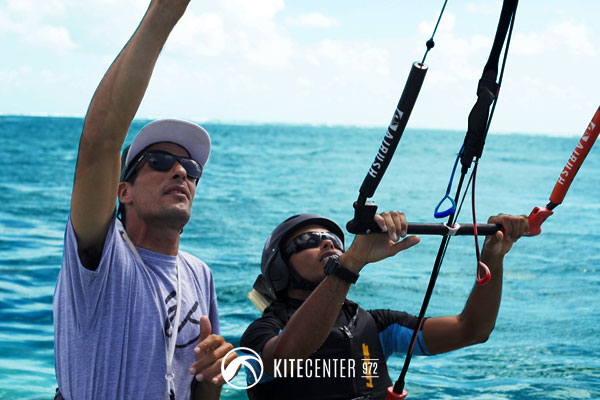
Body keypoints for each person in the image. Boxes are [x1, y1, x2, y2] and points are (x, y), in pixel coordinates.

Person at [53, 1, 235, 399]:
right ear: (123, 190)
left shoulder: (200, 275)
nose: (181, 171)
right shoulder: (102, 255)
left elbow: (200, 392)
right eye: (160, 160)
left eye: (190, 166)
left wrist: (215, 373)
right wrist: (163, 15)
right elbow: (100, 142)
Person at [241, 211, 528, 399]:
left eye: (333, 239)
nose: (328, 244)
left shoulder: (378, 325)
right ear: (279, 266)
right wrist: (351, 263)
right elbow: (284, 359)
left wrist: (494, 256)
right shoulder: (263, 331)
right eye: (308, 241)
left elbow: (471, 330)